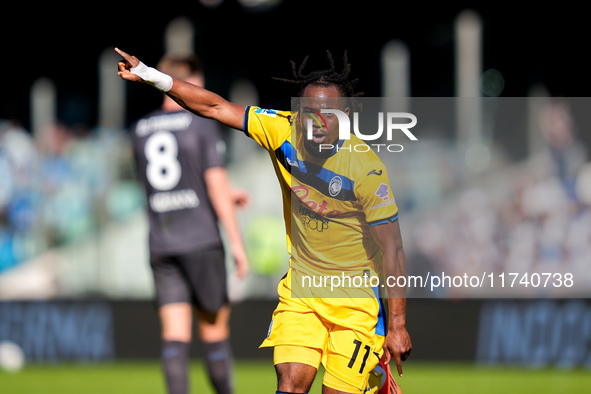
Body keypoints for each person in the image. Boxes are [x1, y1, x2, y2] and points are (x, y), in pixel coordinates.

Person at [116, 47, 411, 394]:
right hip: (302, 293)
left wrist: (398, 325)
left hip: (357, 304)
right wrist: (153, 76)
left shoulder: (366, 169)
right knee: (291, 380)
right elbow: (214, 106)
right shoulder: (281, 129)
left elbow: (392, 248)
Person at [128, 52, 250, 394]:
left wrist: (229, 192)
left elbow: (164, 181)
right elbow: (212, 185)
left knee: (174, 338)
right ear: (189, 86)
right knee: (214, 335)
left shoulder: (139, 129)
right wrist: (238, 246)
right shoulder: (201, 124)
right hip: (202, 241)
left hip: (162, 242)